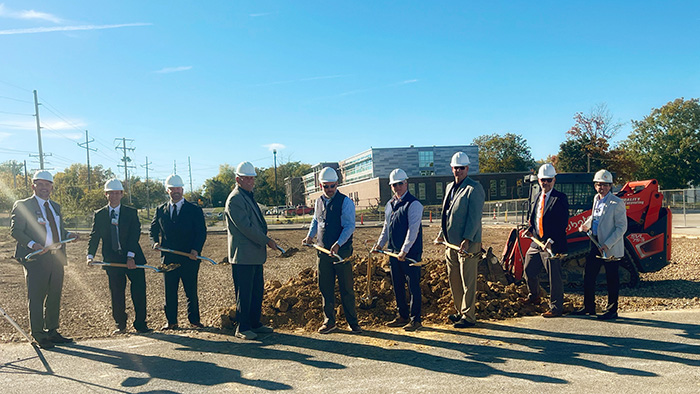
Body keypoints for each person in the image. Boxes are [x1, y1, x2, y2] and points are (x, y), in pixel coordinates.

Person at [10, 170, 77, 349]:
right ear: (33, 186)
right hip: (35, 258)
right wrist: (33, 244)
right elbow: (16, 231)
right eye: (40, 184)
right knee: (37, 296)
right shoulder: (23, 205)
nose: (44, 188)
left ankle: (52, 331)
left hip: (56, 256)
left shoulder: (55, 206)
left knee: (54, 295)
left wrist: (69, 235)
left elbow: (58, 230)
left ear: (52, 187)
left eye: (47, 184)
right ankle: (39, 334)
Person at [87, 179, 152, 334]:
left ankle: (141, 324)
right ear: (106, 194)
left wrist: (130, 257)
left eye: (117, 193)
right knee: (116, 292)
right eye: (111, 193)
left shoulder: (131, 213)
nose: (114, 196)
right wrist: (90, 255)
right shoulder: (100, 215)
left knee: (138, 291)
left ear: (122, 194)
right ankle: (120, 324)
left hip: (133, 258)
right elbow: (94, 236)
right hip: (113, 261)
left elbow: (134, 235)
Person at [302, 167, 361, 334]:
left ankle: (352, 321)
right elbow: (316, 221)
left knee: (346, 288)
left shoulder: (346, 202)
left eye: (332, 186)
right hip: (323, 252)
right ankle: (329, 321)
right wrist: (310, 237)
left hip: (341, 253)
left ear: (337, 184)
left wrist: (338, 244)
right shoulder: (319, 202)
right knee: (325, 287)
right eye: (325, 186)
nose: (329, 190)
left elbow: (349, 226)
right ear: (321, 186)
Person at [224, 161, 278, 340]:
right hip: (243, 256)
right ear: (238, 179)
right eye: (247, 178)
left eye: (252, 178)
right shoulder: (235, 199)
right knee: (244, 293)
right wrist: (266, 240)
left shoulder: (247, 195)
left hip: (253, 255)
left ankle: (255, 323)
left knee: (256, 291)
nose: (250, 181)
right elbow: (246, 227)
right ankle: (243, 326)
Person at [150, 174, 207, 330]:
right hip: (168, 259)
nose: (176, 191)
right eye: (172, 189)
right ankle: (171, 322)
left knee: (191, 291)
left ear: (182, 189)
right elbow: (153, 230)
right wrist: (154, 242)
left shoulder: (194, 209)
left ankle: (194, 320)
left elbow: (201, 232)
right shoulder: (160, 209)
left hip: (189, 258)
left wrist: (196, 250)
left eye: (178, 188)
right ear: (167, 190)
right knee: (170, 292)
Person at [435, 152, 485, 329]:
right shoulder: (450, 187)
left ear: (467, 169)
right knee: (454, 278)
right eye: (456, 168)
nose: (458, 171)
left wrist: (467, 239)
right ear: (452, 168)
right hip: (451, 243)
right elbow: (447, 214)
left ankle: (469, 316)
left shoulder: (474, 188)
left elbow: (474, 217)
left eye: (462, 168)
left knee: (467, 280)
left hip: (467, 243)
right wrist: (442, 233)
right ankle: (459, 311)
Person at [373, 168, 424, 331]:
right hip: (393, 252)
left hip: (410, 254)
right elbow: (386, 227)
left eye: (400, 184)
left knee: (413, 285)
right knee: (398, 285)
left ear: (406, 183)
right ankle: (402, 315)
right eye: (394, 185)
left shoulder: (414, 204)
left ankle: (416, 319)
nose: (397, 187)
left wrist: (405, 250)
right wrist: (380, 244)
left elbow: (413, 229)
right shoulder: (390, 204)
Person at [573, 169, 628, 320]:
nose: (601, 187)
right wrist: (585, 225)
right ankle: (589, 307)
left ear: (610, 186)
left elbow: (622, 227)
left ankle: (612, 310)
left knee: (612, 278)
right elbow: (595, 216)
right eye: (598, 184)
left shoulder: (617, 203)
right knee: (589, 275)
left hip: (610, 247)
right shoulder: (596, 199)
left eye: (604, 185)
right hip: (595, 243)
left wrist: (607, 244)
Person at [520, 163, 569, 318]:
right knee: (528, 270)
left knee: (554, 276)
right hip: (537, 242)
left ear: (554, 180)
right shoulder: (536, 198)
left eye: (548, 180)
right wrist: (530, 231)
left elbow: (562, 223)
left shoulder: (559, 198)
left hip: (551, 245)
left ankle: (556, 308)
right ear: (539, 180)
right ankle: (534, 295)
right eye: (542, 180)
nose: (545, 183)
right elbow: (535, 219)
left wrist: (552, 240)